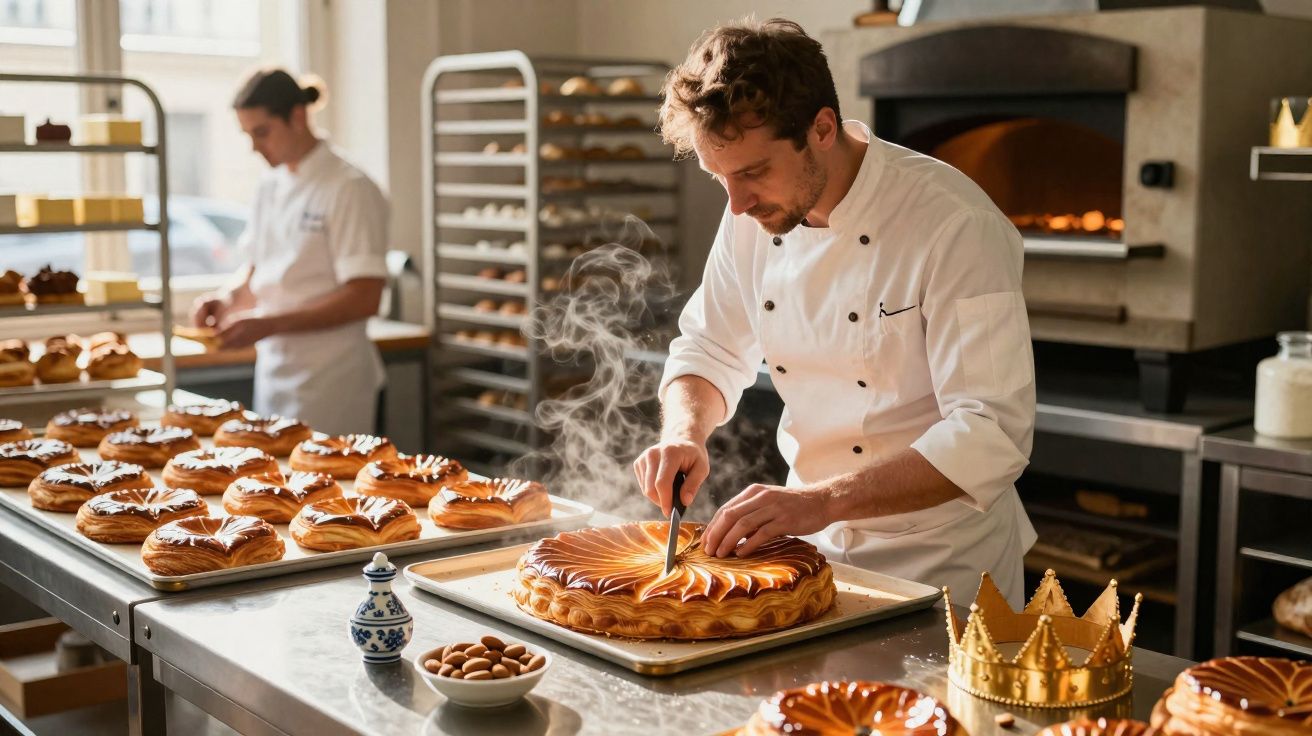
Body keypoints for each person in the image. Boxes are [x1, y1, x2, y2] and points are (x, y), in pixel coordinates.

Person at [632, 18, 1037, 606]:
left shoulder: (955, 223)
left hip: (944, 568)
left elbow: (991, 431)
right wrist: (684, 432)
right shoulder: (753, 212)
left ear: (822, 128)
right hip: (809, 551)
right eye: (718, 177)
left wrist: (820, 500)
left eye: (751, 172)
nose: (736, 203)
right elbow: (709, 347)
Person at [192, 69, 389, 436]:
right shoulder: (270, 185)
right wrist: (226, 298)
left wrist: (268, 323)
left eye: (262, 132)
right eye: (248, 135)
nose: (254, 147)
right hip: (274, 373)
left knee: (326, 486)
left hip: (332, 381)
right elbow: (257, 269)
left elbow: (364, 297)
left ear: (297, 117)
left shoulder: (349, 188)